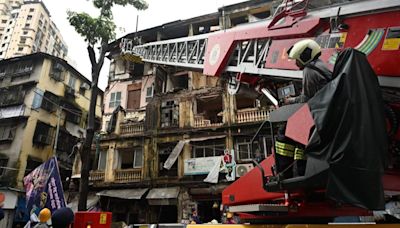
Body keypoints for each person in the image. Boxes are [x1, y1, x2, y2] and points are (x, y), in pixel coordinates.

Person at [285, 39, 332, 104]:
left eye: (297, 60)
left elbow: (306, 99)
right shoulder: (318, 63)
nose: (296, 63)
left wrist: (290, 100)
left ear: (304, 56)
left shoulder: (309, 70)